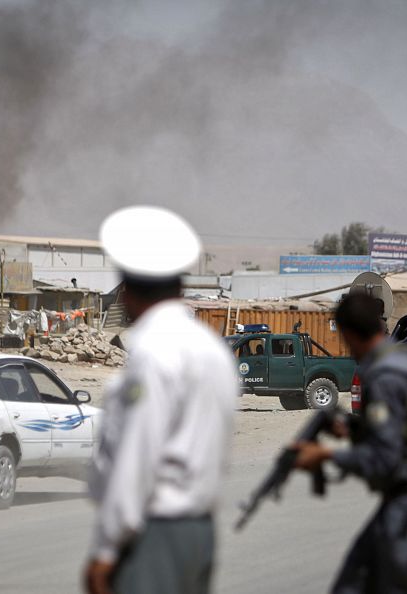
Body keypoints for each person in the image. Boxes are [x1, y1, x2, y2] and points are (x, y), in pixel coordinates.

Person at [84, 206, 238, 594]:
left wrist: (105, 548)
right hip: (198, 531)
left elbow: (136, 456)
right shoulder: (212, 348)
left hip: (155, 534)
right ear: (180, 286)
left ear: (126, 290)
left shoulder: (154, 352)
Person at [295, 293, 407, 594]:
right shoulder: (399, 356)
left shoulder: (384, 375)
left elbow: (384, 458)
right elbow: (401, 428)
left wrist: (326, 456)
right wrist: (353, 429)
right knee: (353, 584)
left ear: (351, 334)